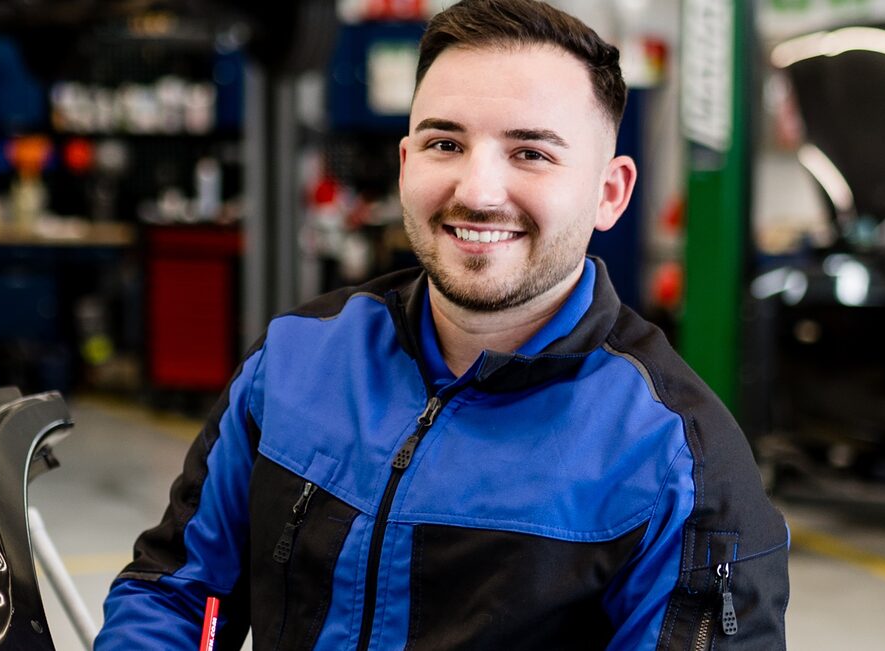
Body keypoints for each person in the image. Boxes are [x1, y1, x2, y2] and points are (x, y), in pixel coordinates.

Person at [95, 0, 789, 648]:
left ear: (610, 192)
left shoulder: (677, 464)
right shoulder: (297, 359)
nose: (478, 192)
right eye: (445, 144)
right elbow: (176, 593)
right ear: (406, 164)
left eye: (531, 153)